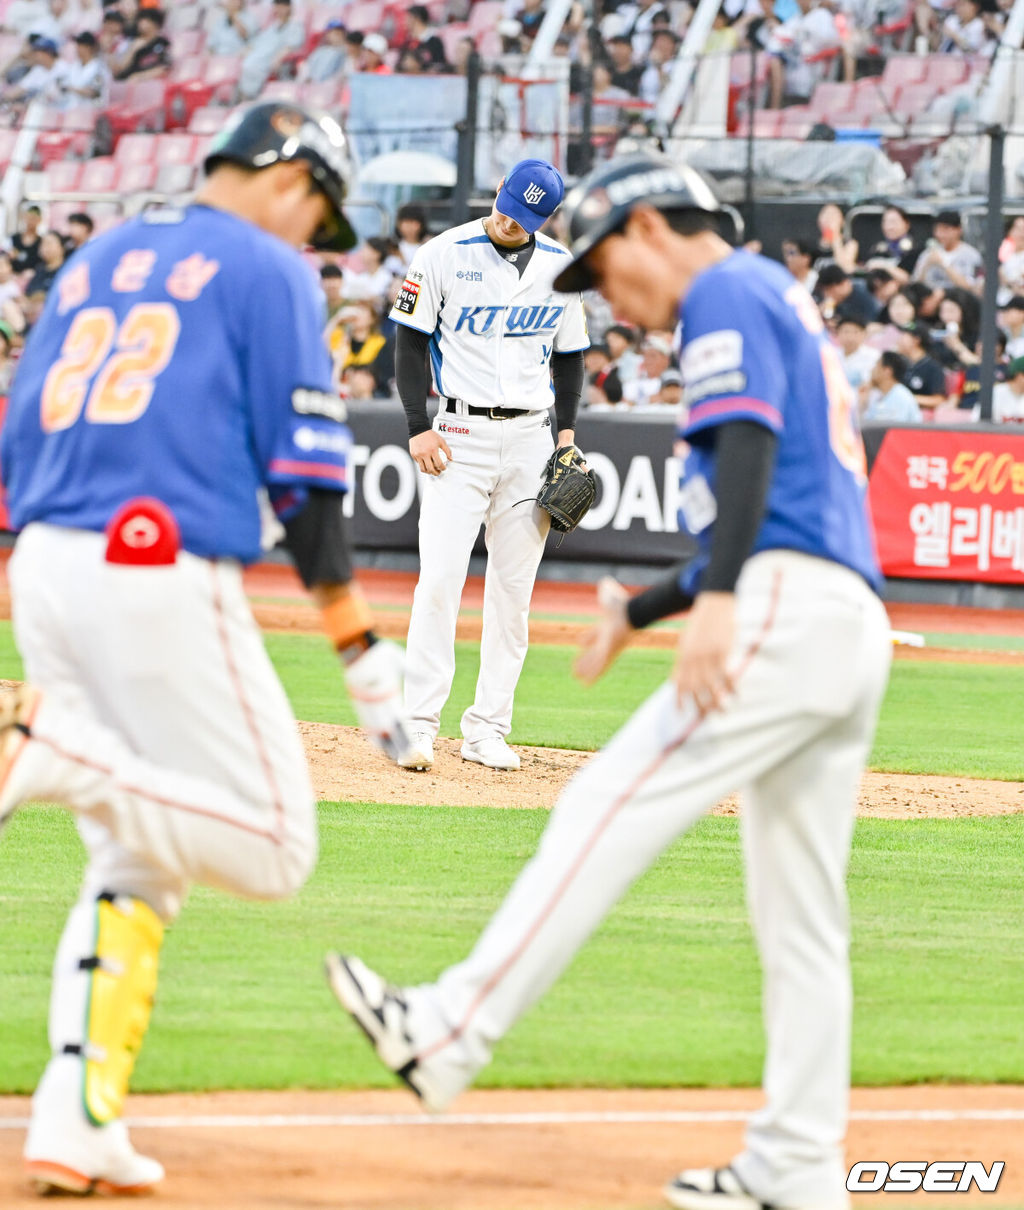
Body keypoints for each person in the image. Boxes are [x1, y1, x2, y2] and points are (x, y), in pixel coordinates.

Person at [327, 152, 891, 1210]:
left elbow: (753, 464)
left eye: (605, 271)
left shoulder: (723, 287)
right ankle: (796, 1169)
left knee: (602, 804)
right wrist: (646, 606)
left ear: (645, 226)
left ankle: (447, 1032)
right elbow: (788, 495)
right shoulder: (775, 291)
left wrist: (717, 603)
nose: (611, 300)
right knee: (803, 918)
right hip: (842, 618)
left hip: (780, 604)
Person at [0, 101, 412, 1197]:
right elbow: (310, 484)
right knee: (276, 843)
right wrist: (360, 648)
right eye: (319, 211)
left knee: (139, 855)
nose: (313, 236)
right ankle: (52, 757)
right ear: (289, 176)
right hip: (155, 562)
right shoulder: (268, 271)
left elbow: (17, 428)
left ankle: (79, 1111)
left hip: (43, 558)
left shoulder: (102, 252)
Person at [391, 157, 588, 773]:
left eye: (525, 215)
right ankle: (418, 726)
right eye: (506, 205)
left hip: (531, 438)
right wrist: (416, 426)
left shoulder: (561, 266)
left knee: (513, 594)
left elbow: (571, 358)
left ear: (545, 218)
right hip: (457, 432)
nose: (509, 219)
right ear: (497, 191)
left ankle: (486, 730)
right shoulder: (442, 253)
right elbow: (408, 342)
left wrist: (567, 437)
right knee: (441, 581)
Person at [239, 0, 303, 98]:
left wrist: (278, 58)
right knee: (244, 66)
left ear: (289, 7)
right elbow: (257, 43)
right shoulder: (272, 26)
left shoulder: (295, 26)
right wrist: (246, 50)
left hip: (269, 63)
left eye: (283, 6)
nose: (279, 9)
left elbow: (291, 46)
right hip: (256, 59)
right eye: (277, 5)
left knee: (251, 68)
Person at [912, 211, 983, 295]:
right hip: (930, 298)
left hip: (958, 300)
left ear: (958, 230)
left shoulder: (971, 255)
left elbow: (971, 287)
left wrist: (943, 264)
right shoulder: (929, 253)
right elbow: (915, 285)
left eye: (945, 229)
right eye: (937, 229)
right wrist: (927, 265)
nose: (940, 234)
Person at [898, 321, 947, 413]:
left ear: (916, 340)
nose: (899, 340)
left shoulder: (932, 367)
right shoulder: (900, 363)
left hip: (921, 416)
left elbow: (938, 399)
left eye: (903, 336)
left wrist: (909, 398)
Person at [862, 350, 922, 423]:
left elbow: (893, 430)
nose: (872, 370)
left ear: (887, 371)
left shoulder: (901, 396)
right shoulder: (879, 396)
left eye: (876, 366)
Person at [113, 6, 170, 80]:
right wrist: (133, 50)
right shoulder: (131, 42)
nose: (139, 23)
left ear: (155, 23)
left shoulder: (162, 43)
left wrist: (140, 76)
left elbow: (164, 68)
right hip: (126, 80)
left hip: (148, 83)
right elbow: (119, 69)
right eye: (139, 20)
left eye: (144, 20)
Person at [61, 29, 110, 107]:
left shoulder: (99, 67)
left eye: (81, 45)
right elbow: (64, 83)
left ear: (89, 47)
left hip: (93, 111)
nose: (77, 48)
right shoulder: (75, 65)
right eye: (77, 44)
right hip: (73, 110)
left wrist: (71, 89)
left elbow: (93, 92)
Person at [24, 229, 66, 297]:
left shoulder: (67, 270)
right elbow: (28, 293)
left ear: (61, 248)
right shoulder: (39, 268)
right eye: (42, 244)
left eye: (49, 243)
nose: (44, 248)